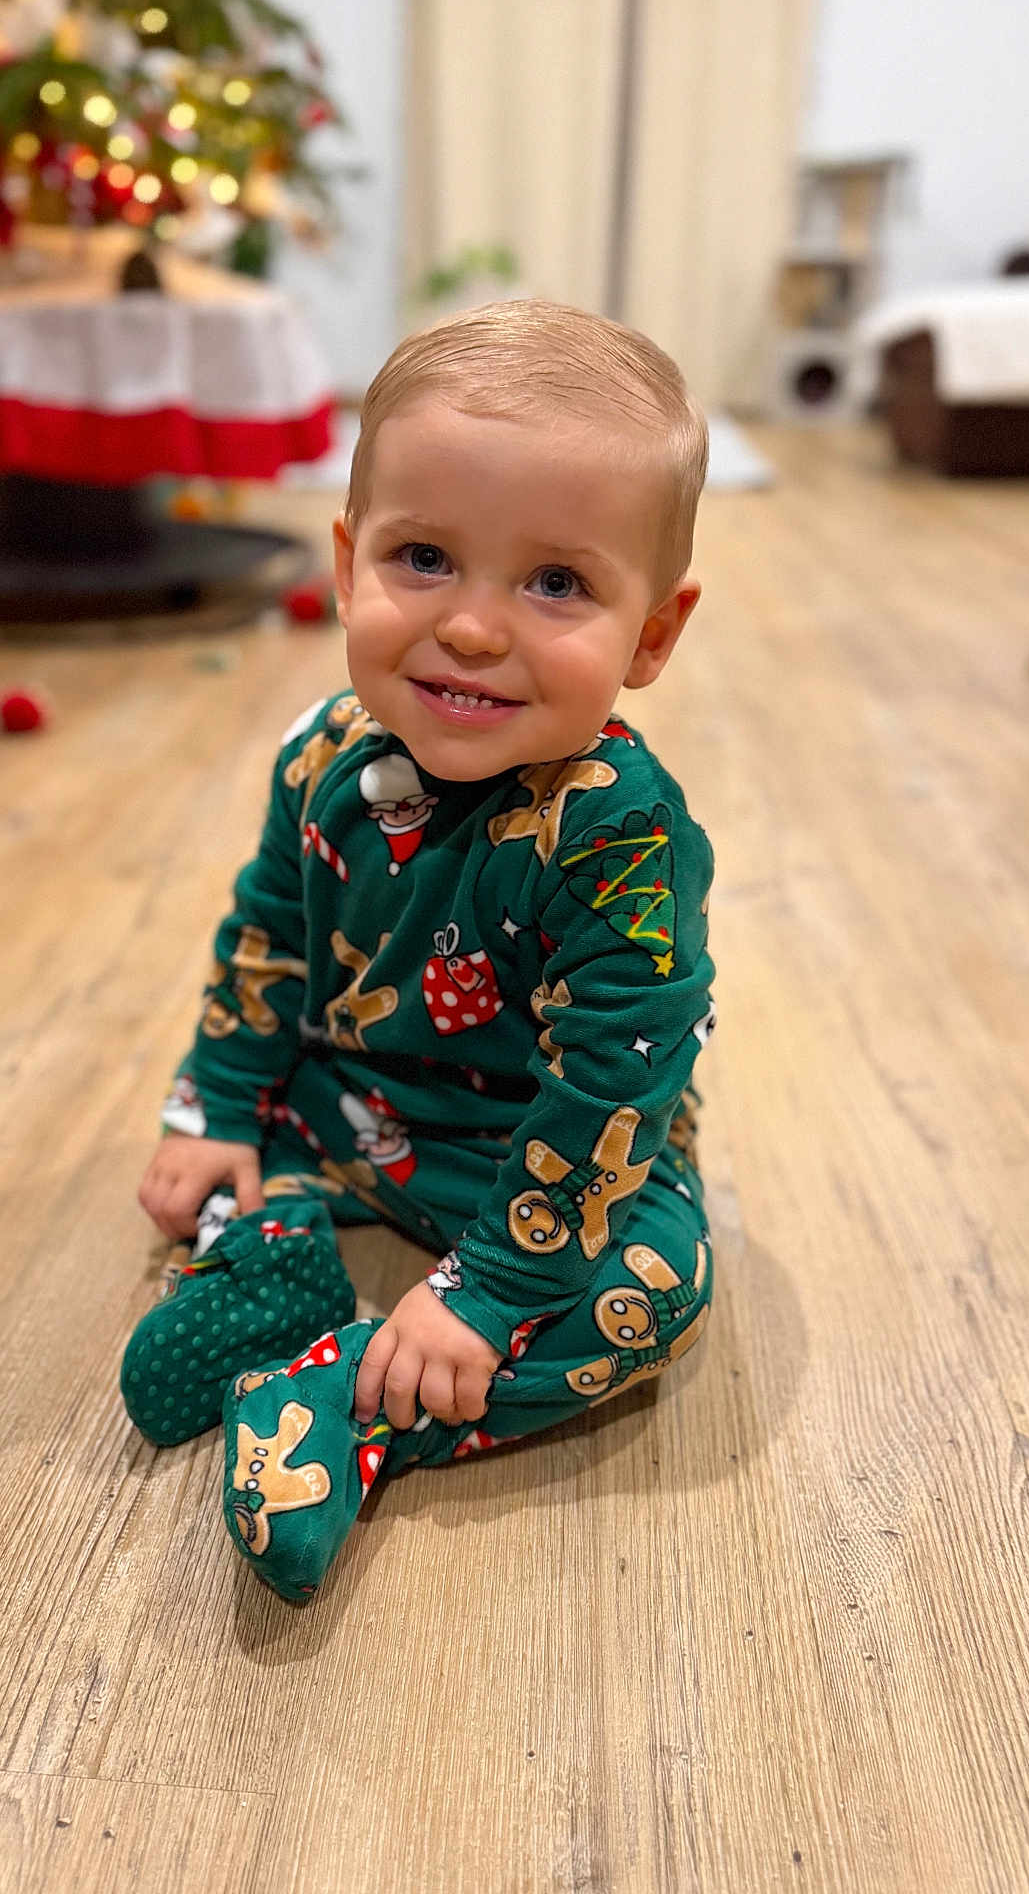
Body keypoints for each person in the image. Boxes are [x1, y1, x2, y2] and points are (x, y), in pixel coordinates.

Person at [124, 299, 717, 1601]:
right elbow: (268, 942)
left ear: (653, 636)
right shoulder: (322, 758)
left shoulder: (619, 838)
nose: (472, 628)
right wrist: (218, 1105)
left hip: (549, 1146)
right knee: (222, 1145)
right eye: (425, 559)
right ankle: (275, 1251)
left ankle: (343, 1405)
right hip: (356, 1103)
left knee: (654, 1288)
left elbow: (618, 1081)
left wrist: (492, 1288)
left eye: (556, 583)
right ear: (346, 565)